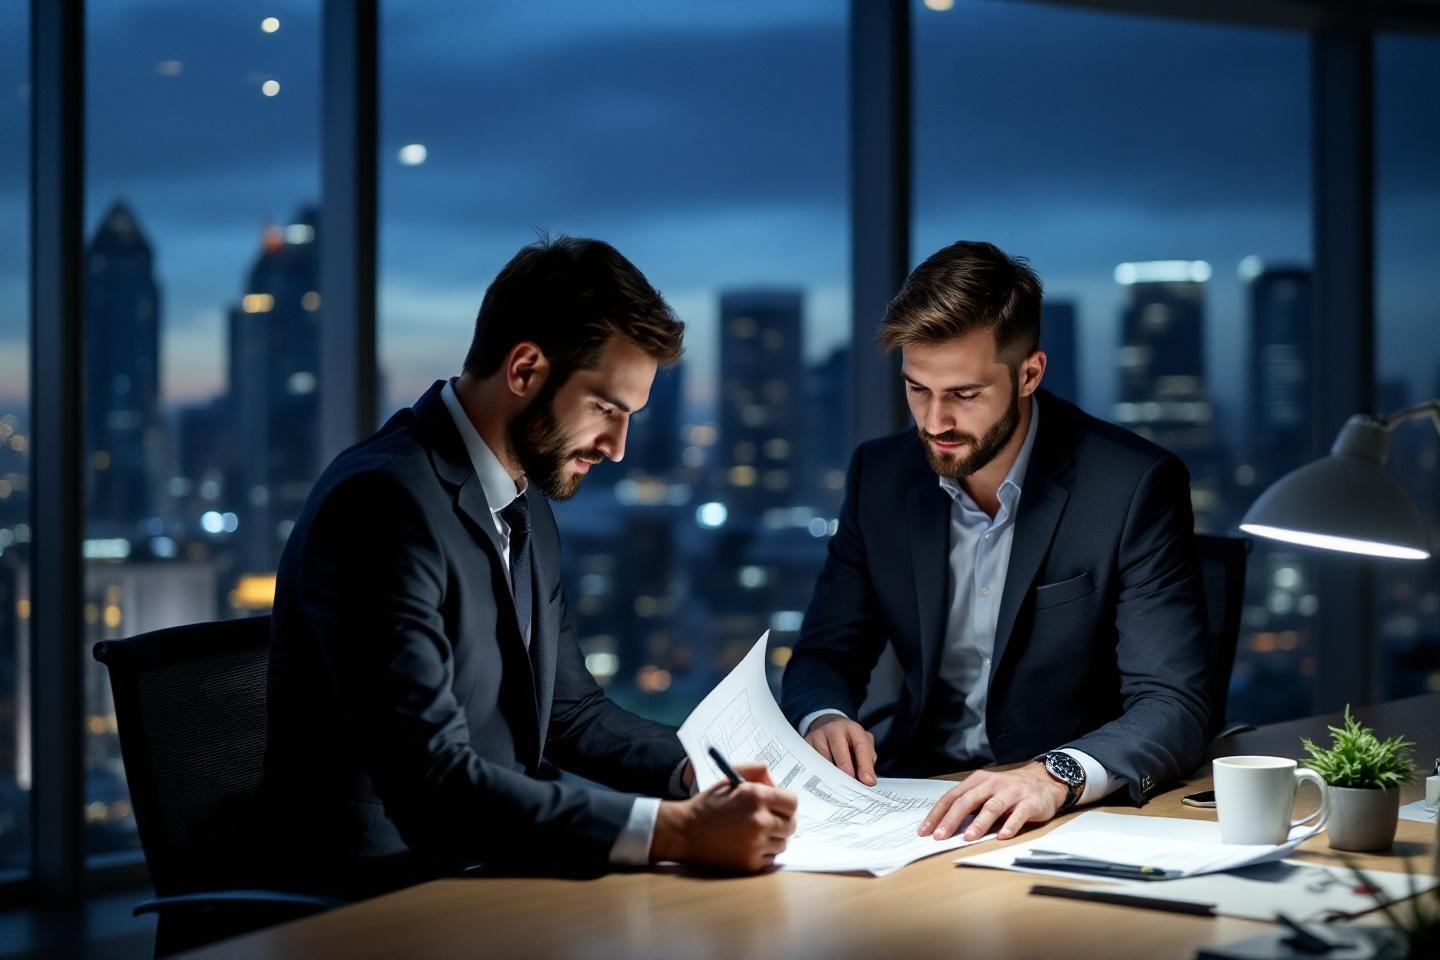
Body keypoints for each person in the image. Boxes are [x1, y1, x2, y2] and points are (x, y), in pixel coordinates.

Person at [261, 237, 795, 896]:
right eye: (607, 409)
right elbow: (432, 784)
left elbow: (571, 713)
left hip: (498, 870)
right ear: (524, 370)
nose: (619, 449)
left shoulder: (524, 500)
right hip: (375, 895)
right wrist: (675, 831)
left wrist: (702, 773)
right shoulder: (382, 505)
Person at [781, 240, 1211, 846]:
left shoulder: (1131, 485)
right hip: (912, 798)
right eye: (917, 389)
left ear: (1029, 373)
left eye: (964, 394)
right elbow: (826, 653)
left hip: (1062, 810)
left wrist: (1052, 776)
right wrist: (824, 717)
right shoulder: (879, 477)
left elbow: (1173, 703)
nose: (934, 423)